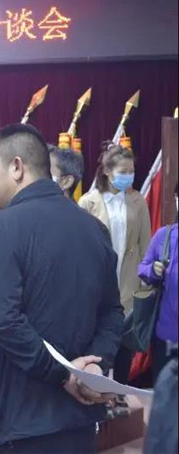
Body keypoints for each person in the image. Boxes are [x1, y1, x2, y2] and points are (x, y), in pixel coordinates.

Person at [0, 124, 124, 453]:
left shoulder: (2, 226)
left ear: (17, 167)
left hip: (16, 422)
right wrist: (93, 367)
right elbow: (113, 313)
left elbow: (4, 320)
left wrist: (64, 375)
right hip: (77, 421)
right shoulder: (94, 228)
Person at [79, 142, 151, 384]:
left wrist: (145, 280)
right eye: (123, 171)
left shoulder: (138, 201)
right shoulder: (89, 202)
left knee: (124, 341)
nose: (128, 176)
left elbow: (145, 243)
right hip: (98, 282)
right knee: (99, 338)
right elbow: (81, 246)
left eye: (131, 171)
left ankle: (120, 390)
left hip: (129, 281)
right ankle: (95, 388)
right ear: (108, 171)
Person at [138, 183, 178, 382]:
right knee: (165, 392)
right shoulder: (165, 235)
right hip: (168, 332)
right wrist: (153, 270)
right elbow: (142, 268)